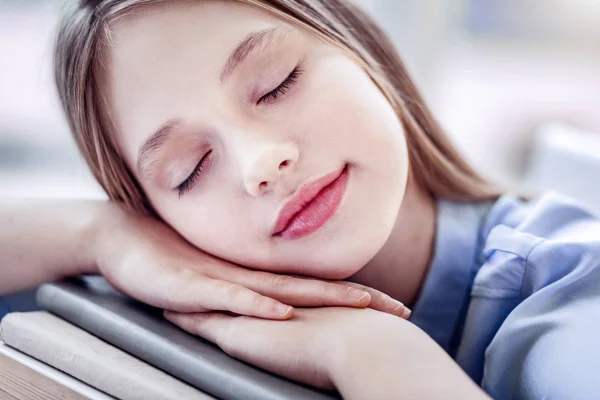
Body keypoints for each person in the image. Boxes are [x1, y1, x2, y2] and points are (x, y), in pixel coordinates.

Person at [4, 0, 600, 398]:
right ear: (161, 220)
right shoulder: (175, 287)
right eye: (190, 170)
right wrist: (98, 236)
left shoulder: (573, 297)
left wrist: (373, 353)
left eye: (277, 83)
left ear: (363, 51)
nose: (262, 163)